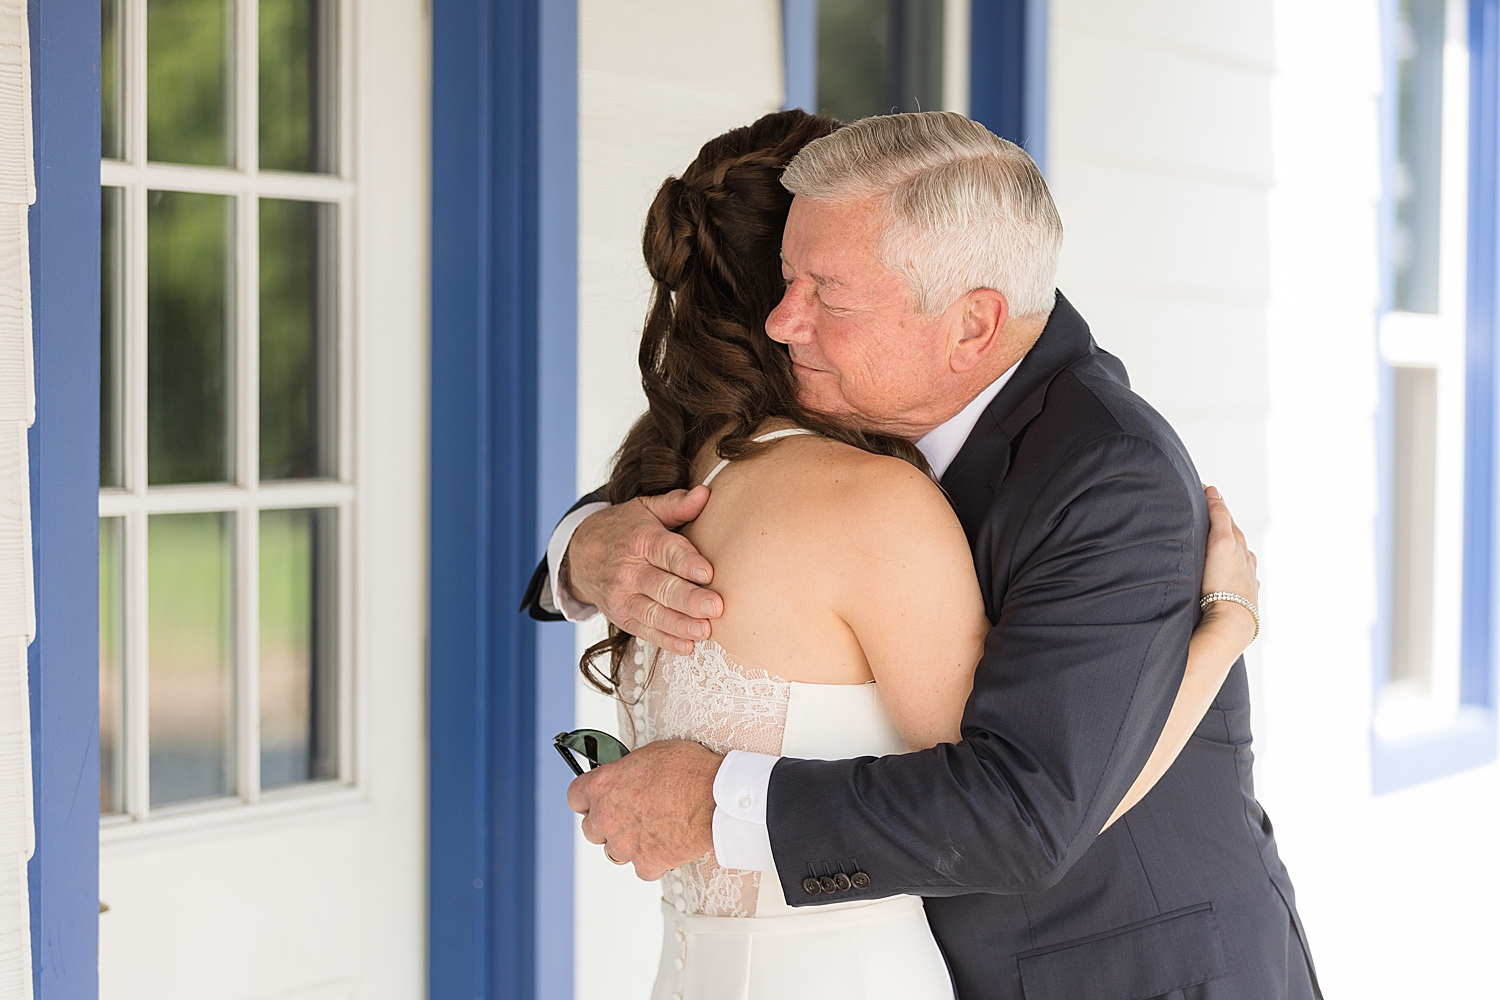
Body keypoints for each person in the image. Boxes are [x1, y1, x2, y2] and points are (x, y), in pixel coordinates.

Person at [524, 111, 1317, 1000]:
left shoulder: (1104, 473)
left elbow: (1024, 813)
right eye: (784, 280)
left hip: (1124, 971)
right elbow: (712, 475)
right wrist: (579, 549)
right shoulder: (838, 442)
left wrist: (721, 802)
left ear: (972, 325)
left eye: (828, 293)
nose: (784, 324)